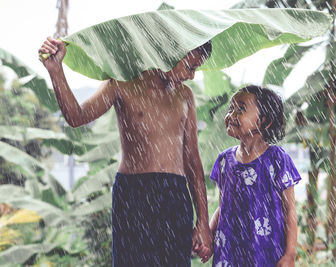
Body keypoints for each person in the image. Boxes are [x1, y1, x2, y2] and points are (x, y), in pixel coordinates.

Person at [39, 36, 213, 266]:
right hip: (134, 193)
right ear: (171, 53)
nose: (191, 76)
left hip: (174, 194)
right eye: (190, 67)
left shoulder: (185, 96)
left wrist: (203, 221)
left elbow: (192, 160)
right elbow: (76, 117)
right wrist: (55, 71)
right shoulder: (122, 83)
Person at [208, 85, 301, 267]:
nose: (232, 115)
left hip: (266, 253)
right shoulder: (224, 161)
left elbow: (290, 210)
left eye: (241, 109)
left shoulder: (277, 159)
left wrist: (290, 254)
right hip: (230, 251)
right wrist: (209, 237)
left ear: (264, 121)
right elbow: (223, 206)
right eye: (231, 109)